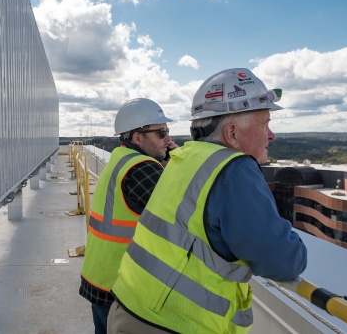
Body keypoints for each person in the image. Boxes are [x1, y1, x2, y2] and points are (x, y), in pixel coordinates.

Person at [108, 68, 308, 334]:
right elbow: (284, 262)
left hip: (129, 307)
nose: (271, 135)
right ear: (232, 134)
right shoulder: (234, 171)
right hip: (173, 324)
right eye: (264, 124)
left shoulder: (185, 158)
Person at [79, 98, 178, 334]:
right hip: (120, 287)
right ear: (137, 137)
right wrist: (181, 163)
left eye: (168, 131)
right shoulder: (143, 168)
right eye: (161, 133)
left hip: (100, 277)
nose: (169, 139)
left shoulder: (120, 157)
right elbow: (182, 214)